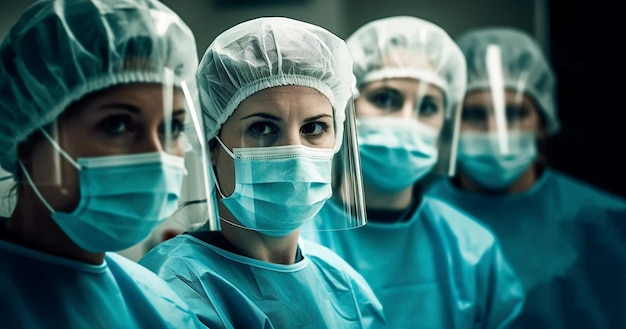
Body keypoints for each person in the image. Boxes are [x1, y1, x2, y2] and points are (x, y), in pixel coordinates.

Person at [139, 17, 387, 329]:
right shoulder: (168, 290)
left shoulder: (344, 286)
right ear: (211, 146)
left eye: (313, 127)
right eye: (262, 127)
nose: (295, 153)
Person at [300, 16, 525, 329]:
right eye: (385, 98)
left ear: (445, 123)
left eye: (428, 106)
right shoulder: (295, 242)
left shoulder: (471, 248)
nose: (407, 120)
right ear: (343, 107)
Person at [0, 0, 209, 327]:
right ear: (28, 140)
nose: (158, 156)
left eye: (172, 128)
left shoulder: (164, 306)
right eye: (117, 125)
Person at [426, 27, 626, 328]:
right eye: (476, 115)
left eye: (514, 113)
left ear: (543, 123)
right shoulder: (419, 224)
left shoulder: (607, 221)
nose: (496, 132)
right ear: (449, 125)